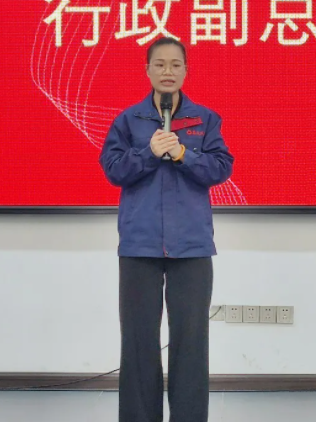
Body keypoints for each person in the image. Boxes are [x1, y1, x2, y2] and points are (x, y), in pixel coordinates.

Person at [98, 37, 234, 422]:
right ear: (147, 70)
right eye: (160, 64)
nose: (168, 71)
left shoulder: (205, 120)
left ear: (186, 71)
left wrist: (182, 154)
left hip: (191, 247)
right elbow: (113, 170)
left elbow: (221, 168)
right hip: (139, 245)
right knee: (138, 340)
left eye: (176, 64)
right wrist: (149, 153)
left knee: (191, 341)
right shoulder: (128, 121)